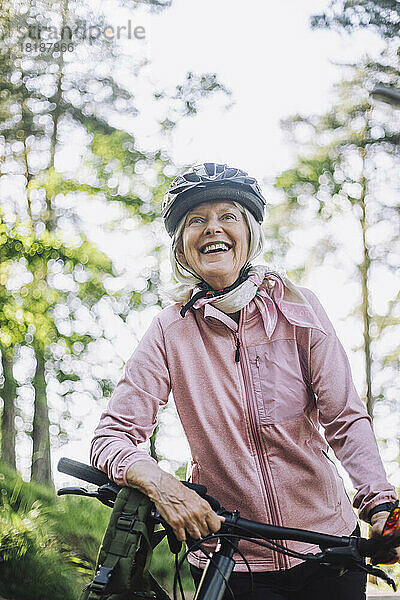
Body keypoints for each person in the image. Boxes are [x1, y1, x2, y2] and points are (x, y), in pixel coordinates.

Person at [91, 162, 399, 600]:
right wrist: (163, 486)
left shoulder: (299, 308)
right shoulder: (168, 331)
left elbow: (345, 418)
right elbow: (112, 437)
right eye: (196, 220)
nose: (212, 228)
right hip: (229, 559)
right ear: (181, 246)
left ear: (249, 233)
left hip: (328, 548)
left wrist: (380, 501)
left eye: (227, 216)